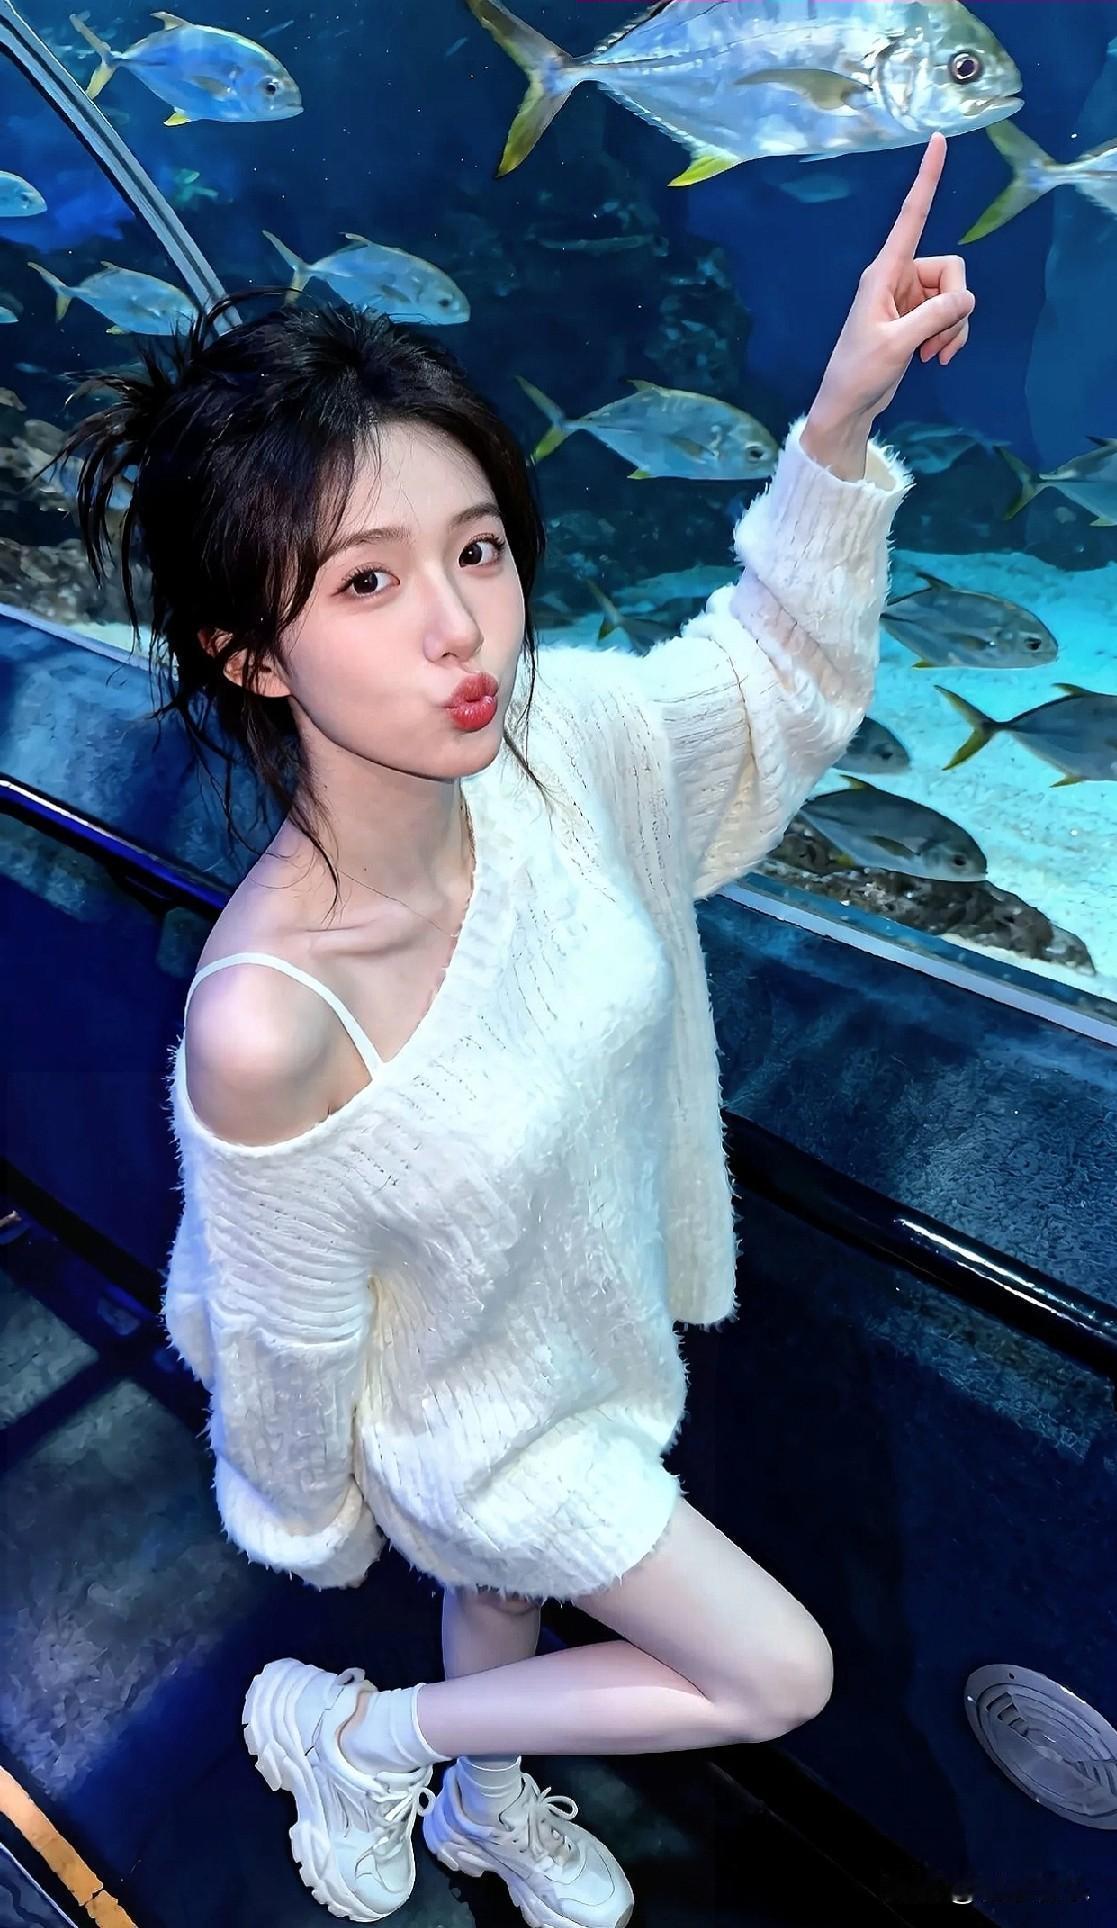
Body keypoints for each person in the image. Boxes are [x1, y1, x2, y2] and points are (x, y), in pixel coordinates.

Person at [62, 133, 972, 1928]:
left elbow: (764, 686)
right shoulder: (269, 1015)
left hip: (589, 1346)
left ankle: (483, 1793)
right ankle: (365, 1731)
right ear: (251, 654)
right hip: (469, 1435)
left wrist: (839, 422)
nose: (461, 629)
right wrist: (315, 1525)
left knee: (505, 1604)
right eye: (366, 583)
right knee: (768, 1670)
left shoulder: (562, 742)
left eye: (474, 548)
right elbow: (284, 1335)